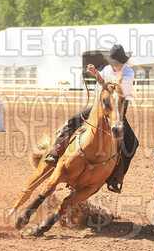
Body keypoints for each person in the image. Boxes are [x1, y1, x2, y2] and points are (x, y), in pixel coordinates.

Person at [44, 44, 139, 193]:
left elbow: (116, 87)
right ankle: (56, 150)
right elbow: (99, 91)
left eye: (120, 64)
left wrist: (97, 76)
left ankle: (117, 176)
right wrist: (98, 77)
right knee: (73, 121)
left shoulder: (128, 72)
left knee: (132, 142)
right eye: (115, 63)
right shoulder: (106, 70)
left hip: (118, 110)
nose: (117, 67)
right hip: (101, 107)